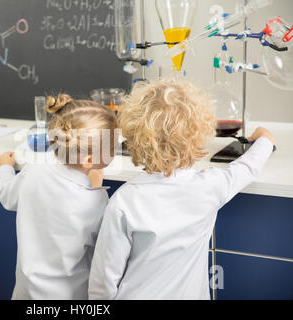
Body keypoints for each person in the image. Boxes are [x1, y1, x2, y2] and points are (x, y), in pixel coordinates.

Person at [88, 79, 275, 300]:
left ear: (134, 138)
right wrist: (264, 137)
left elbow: (103, 282)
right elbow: (249, 165)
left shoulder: (123, 202)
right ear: (197, 136)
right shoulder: (211, 186)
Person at [0, 94, 118, 299]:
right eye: (113, 147)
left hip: (26, 292)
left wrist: (5, 168)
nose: (116, 150)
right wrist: (94, 187)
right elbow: (102, 254)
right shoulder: (96, 200)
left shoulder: (34, 170)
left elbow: (7, 196)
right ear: (89, 160)